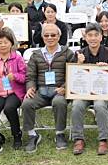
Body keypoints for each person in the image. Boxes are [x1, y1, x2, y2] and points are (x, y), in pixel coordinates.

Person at [22, 23, 76, 153]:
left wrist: (65, 87)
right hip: (41, 91)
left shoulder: (67, 53)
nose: (50, 37)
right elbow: (30, 76)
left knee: (59, 102)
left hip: (59, 91)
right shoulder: (36, 55)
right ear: (42, 37)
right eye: (46, 35)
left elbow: (74, 74)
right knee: (27, 103)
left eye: (53, 35)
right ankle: (32, 135)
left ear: (59, 36)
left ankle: (59, 134)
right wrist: (30, 88)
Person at [71, 23, 108, 156]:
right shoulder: (79, 53)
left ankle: (103, 139)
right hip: (84, 91)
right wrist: (79, 64)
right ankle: (78, 138)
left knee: (100, 105)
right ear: (85, 37)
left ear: (101, 37)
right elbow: (74, 76)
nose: (93, 38)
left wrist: (107, 68)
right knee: (76, 105)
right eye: (90, 35)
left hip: (102, 91)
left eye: (96, 35)